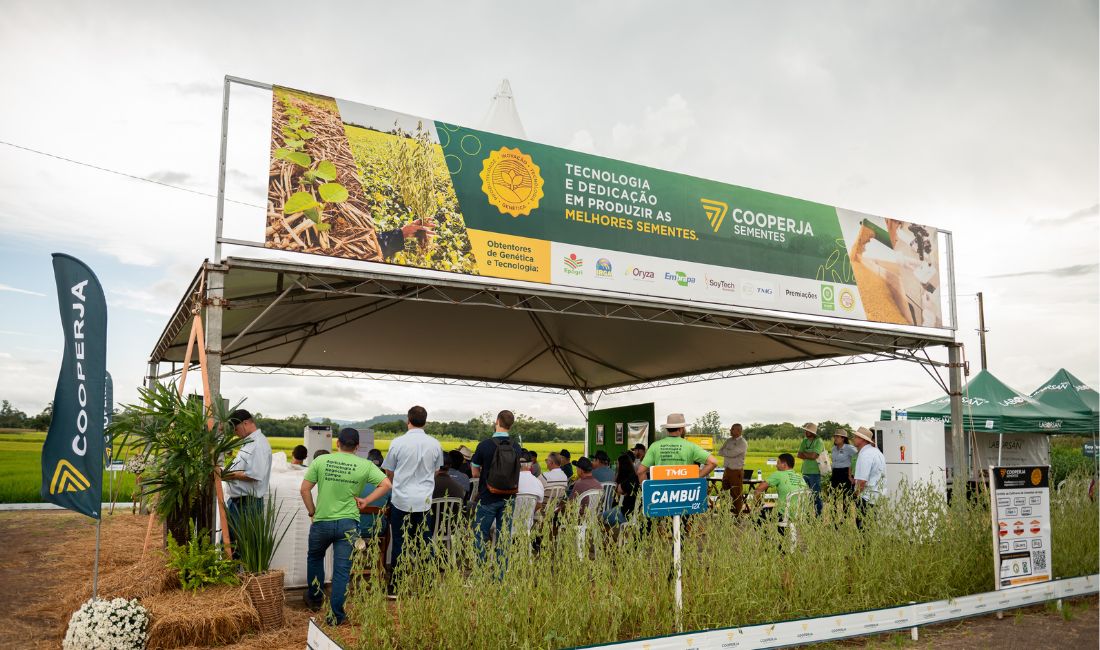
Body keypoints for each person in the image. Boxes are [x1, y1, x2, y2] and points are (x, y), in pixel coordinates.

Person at [300, 428, 391, 624]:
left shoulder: (321, 461)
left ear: (337, 443)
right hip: (348, 524)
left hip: (322, 521)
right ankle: (336, 616)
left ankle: (315, 599)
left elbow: (304, 489)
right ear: (357, 446)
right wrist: (366, 500)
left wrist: (312, 512)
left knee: (315, 557)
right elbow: (386, 485)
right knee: (342, 569)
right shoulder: (365, 465)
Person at [381, 406, 444, 593]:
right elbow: (436, 471)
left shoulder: (397, 443)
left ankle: (396, 585)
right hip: (424, 501)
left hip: (401, 500)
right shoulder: (435, 444)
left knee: (399, 542)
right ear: (425, 422)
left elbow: (389, 471)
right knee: (424, 542)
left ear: (408, 420)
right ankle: (427, 584)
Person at [471, 410, 521, 563]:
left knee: (480, 534)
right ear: (510, 425)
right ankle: (501, 573)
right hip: (509, 498)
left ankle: (480, 570)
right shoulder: (516, 447)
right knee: (504, 535)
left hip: (488, 497)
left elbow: (474, 473)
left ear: (497, 421)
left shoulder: (484, 445)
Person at [220, 409, 272, 542]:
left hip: (247, 505)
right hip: (238, 503)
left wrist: (228, 475)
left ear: (246, 423)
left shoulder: (258, 444)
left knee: (240, 546)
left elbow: (255, 474)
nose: (235, 433)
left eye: (236, 429)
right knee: (228, 545)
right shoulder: (249, 442)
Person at [637, 413, 718, 482]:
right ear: (681, 429)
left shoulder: (655, 446)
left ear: (667, 429)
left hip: (660, 492)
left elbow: (640, 472)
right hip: (684, 492)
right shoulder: (691, 446)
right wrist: (695, 478)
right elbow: (713, 462)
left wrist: (646, 490)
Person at [752, 453, 807, 529]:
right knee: (776, 510)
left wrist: (758, 505)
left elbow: (758, 490)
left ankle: (768, 536)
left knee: (756, 516)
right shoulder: (800, 477)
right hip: (800, 514)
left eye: (778, 463)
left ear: (784, 465)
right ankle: (781, 533)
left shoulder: (779, 474)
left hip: (784, 514)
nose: (776, 465)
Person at [852, 427, 887, 529]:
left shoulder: (865, 455)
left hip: (866, 497)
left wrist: (856, 495)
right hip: (876, 495)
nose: (853, 439)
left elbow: (862, 481)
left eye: (856, 437)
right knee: (871, 527)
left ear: (862, 439)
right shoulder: (877, 452)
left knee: (863, 528)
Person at [603, 452, 640, 525]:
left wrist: (617, 474)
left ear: (622, 466)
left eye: (617, 464)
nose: (616, 466)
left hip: (624, 514)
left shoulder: (626, 482)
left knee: (601, 516)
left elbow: (617, 493)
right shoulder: (634, 478)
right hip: (634, 514)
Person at [718, 423, 748, 514]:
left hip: (736, 471)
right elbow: (720, 451)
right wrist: (728, 452)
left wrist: (727, 452)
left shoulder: (742, 443)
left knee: (736, 493)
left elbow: (732, 453)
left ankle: (736, 514)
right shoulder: (728, 440)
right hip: (727, 470)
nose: (730, 430)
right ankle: (725, 511)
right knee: (724, 491)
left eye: (732, 429)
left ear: (739, 430)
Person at [796, 422, 825, 515]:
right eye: (805, 430)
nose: (805, 432)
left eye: (808, 431)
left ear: (813, 432)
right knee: (805, 495)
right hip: (805, 471)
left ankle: (818, 516)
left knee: (816, 495)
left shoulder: (819, 441)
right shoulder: (804, 441)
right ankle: (807, 515)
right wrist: (809, 454)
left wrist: (805, 453)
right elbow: (798, 455)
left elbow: (814, 456)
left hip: (815, 472)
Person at [829, 429, 858, 495]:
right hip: (835, 473)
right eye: (834, 436)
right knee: (833, 495)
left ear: (843, 438)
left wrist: (851, 476)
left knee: (846, 495)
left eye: (837, 437)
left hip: (845, 474)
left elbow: (858, 459)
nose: (835, 438)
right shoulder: (833, 448)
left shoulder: (850, 448)